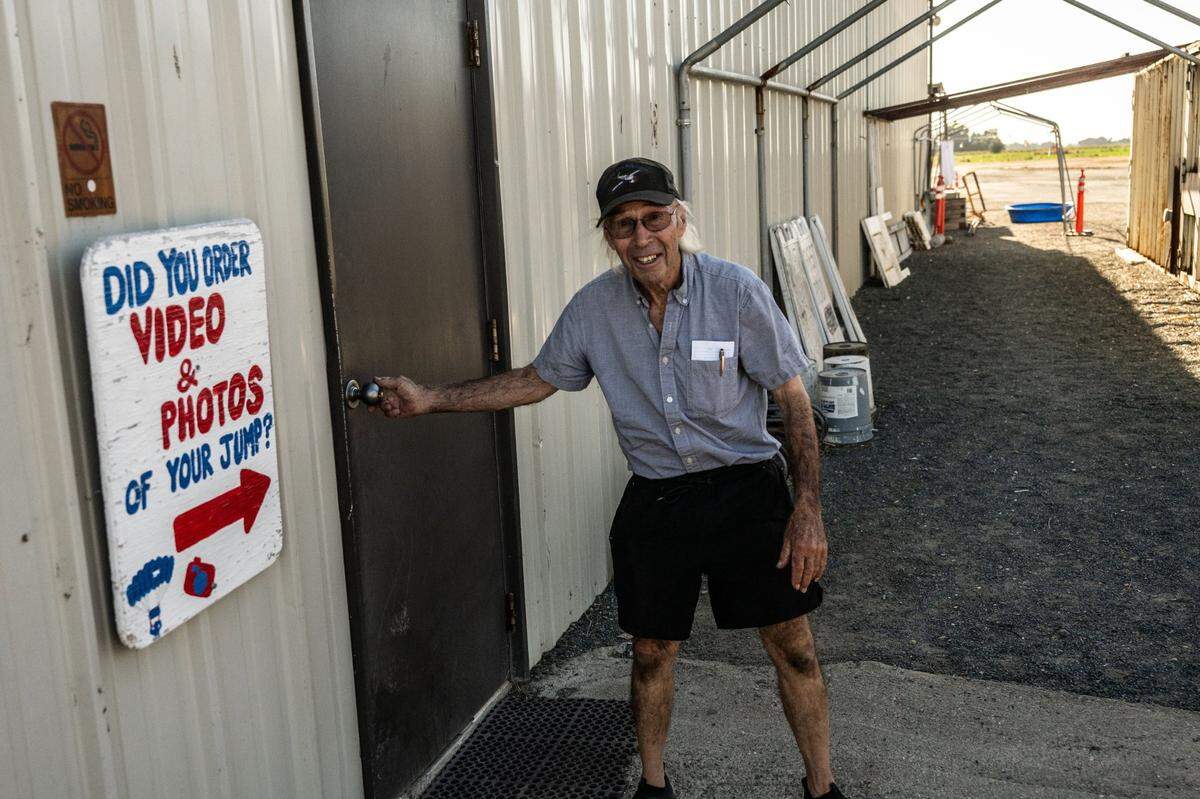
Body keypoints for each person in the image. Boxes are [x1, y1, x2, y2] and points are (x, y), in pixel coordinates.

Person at [373, 157, 844, 799]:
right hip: (658, 499)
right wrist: (431, 398)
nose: (642, 237)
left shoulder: (735, 291)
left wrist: (807, 506)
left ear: (679, 220)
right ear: (608, 236)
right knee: (651, 651)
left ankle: (822, 786)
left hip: (747, 490)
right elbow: (537, 380)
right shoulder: (594, 309)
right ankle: (652, 786)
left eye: (654, 219)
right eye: (624, 225)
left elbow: (792, 399)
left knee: (794, 646)